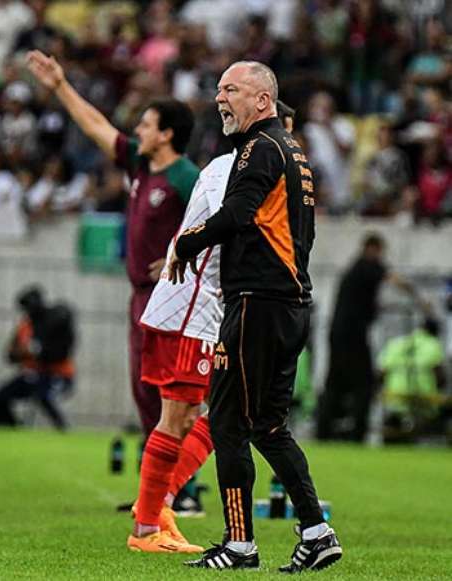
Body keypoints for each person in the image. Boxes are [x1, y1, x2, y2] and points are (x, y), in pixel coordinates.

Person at [171, 61, 342, 572]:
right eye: (219, 89)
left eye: (231, 90)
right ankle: (317, 531)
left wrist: (187, 242)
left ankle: (240, 544)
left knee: (227, 422)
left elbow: (237, 215)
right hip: (289, 304)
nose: (219, 98)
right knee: (268, 425)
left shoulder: (259, 147)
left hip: (256, 304)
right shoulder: (292, 151)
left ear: (263, 100)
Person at [26, 50, 200, 441]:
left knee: (171, 391)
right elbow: (95, 126)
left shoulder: (187, 177)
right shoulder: (140, 163)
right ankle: (157, 474)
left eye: (146, 124)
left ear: (166, 134)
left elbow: (217, 224)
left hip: (172, 297)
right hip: (140, 296)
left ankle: (181, 475)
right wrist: (60, 86)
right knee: (144, 388)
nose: (138, 130)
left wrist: (180, 254)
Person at [127, 141, 237, 553]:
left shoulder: (239, 167)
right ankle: (146, 526)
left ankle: (158, 507)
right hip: (193, 309)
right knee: (179, 415)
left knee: (224, 411)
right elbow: (231, 225)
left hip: (201, 308)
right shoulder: (231, 169)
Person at [317, 233, 421, 442]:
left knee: (334, 382)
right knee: (364, 383)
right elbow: (393, 278)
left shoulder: (354, 270)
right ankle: (358, 432)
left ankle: (323, 430)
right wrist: (416, 295)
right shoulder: (367, 266)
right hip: (353, 335)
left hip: (338, 333)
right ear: (372, 248)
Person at [0, 287, 76, 430]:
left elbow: (59, 350)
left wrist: (37, 349)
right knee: (0, 396)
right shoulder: (26, 326)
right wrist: (22, 352)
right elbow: (10, 355)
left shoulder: (54, 319)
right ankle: (14, 428)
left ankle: (62, 429)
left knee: (44, 395)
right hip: (33, 375)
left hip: (58, 374)